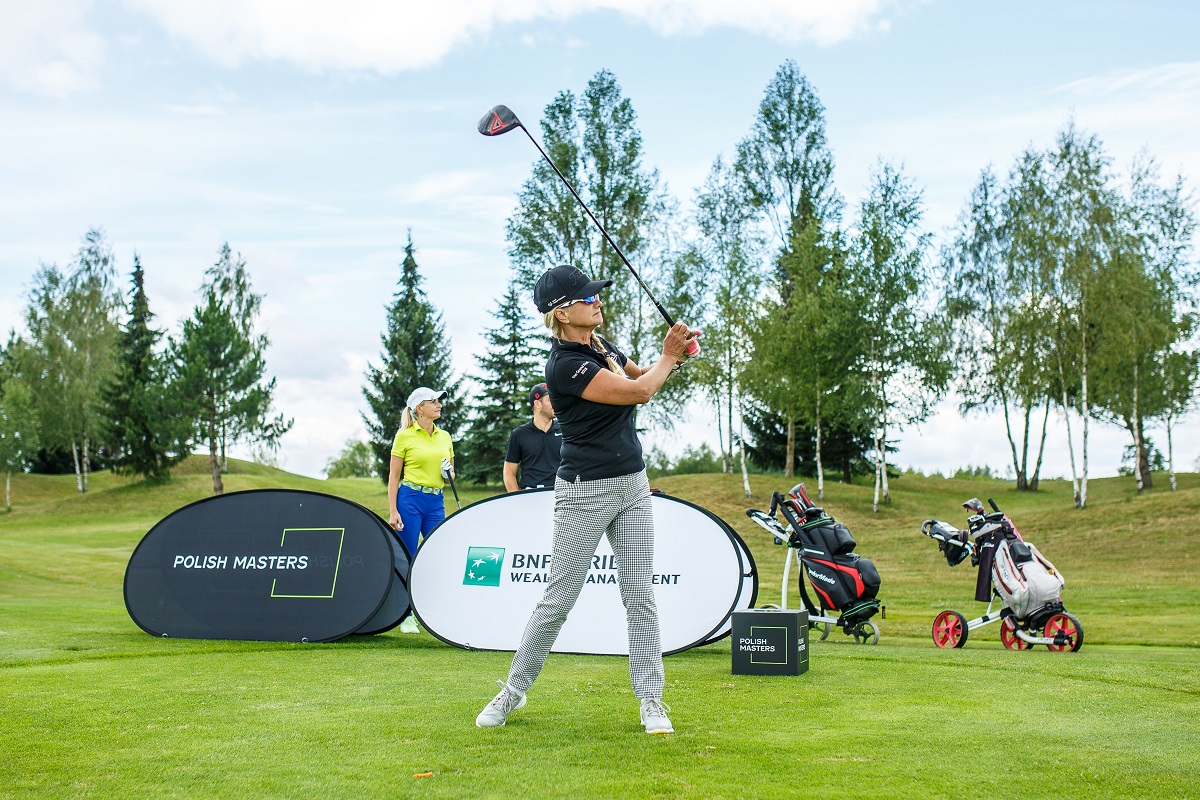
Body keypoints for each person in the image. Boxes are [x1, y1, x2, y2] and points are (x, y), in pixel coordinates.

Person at [476, 264, 697, 735]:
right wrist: (667, 355)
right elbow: (639, 392)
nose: (597, 302)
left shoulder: (602, 346)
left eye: (596, 295)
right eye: (587, 298)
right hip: (584, 493)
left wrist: (676, 357)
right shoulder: (564, 365)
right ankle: (512, 691)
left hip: (632, 484)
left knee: (640, 596)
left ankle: (651, 700)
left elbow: (645, 378)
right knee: (558, 600)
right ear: (562, 313)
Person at [387, 386, 454, 633]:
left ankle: (435, 610)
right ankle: (405, 615)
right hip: (410, 499)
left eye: (439, 401)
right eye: (433, 401)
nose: (439, 405)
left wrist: (448, 473)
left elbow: (451, 476)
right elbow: (394, 477)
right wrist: (393, 510)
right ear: (419, 408)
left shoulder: (445, 436)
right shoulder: (404, 436)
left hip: (436, 501)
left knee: (437, 553)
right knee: (408, 555)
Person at [503, 383, 562, 491]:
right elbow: (509, 474)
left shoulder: (565, 431)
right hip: (530, 494)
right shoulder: (519, 434)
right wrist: (517, 498)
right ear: (537, 404)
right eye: (550, 399)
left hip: (560, 494)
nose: (555, 402)